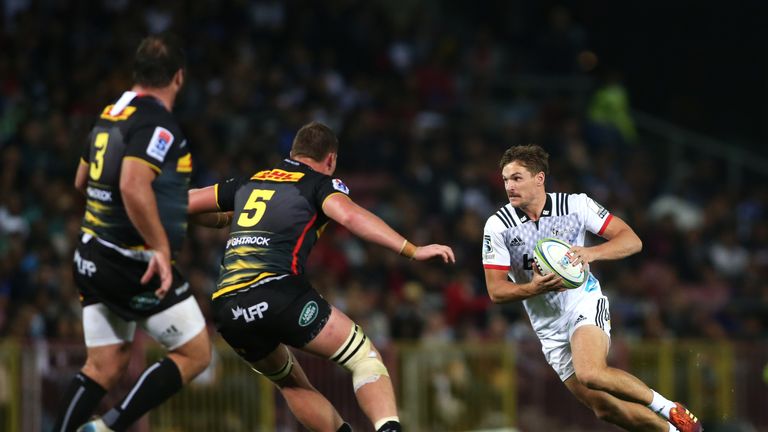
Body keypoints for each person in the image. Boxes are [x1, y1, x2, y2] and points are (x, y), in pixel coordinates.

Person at [188, 121, 455, 432]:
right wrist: (412, 249)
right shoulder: (317, 183)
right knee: (363, 357)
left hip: (228, 308)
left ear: (292, 152)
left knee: (291, 384)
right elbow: (351, 215)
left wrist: (222, 219)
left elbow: (185, 204)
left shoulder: (248, 183)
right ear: (331, 159)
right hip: (277, 292)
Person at [53, 33, 211, 432]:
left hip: (90, 255)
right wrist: (159, 246)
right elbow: (131, 184)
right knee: (195, 352)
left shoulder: (111, 113)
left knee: (104, 364)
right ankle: (106, 428)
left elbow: (80, 180)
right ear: (178, 77)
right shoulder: (158, 122)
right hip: (129, 263)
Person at [482, 145, 702, 432]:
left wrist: (591, 253)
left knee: (591, 373)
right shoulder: (498, 226)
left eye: (517, 178)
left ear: (539, 178)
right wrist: (534, 287)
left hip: (583, 303)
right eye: (506, 180)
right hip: (548, 327)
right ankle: (673, 431)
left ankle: (670, 409)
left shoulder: (576, 206)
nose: (509, 186)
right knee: (605, 409)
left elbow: (631, 240)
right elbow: (496, 291)